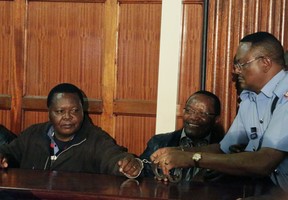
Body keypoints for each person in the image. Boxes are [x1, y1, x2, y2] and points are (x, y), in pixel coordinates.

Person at [150, 32, 288, 193]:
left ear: (265, 63)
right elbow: (224, 149)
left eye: (242, 64)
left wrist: (191, 159)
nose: (236, 71)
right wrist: (176, 152)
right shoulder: (250, 100)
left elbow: (264, 162)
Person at [0, 83, 143, 178]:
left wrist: (127, 165)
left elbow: (113, 158)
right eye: (60, 111)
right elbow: (10, 153)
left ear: (83, 111)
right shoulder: (33, 134)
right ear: (49, 112)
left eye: (75, 110)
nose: (68, 117)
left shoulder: (96, 139)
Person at [140, 90, 223, 182]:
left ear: (216, 119)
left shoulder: (224, 150)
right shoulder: (159, 143)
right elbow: (141, 172)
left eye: (202, 113)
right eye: (189, 110)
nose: (193, 117)